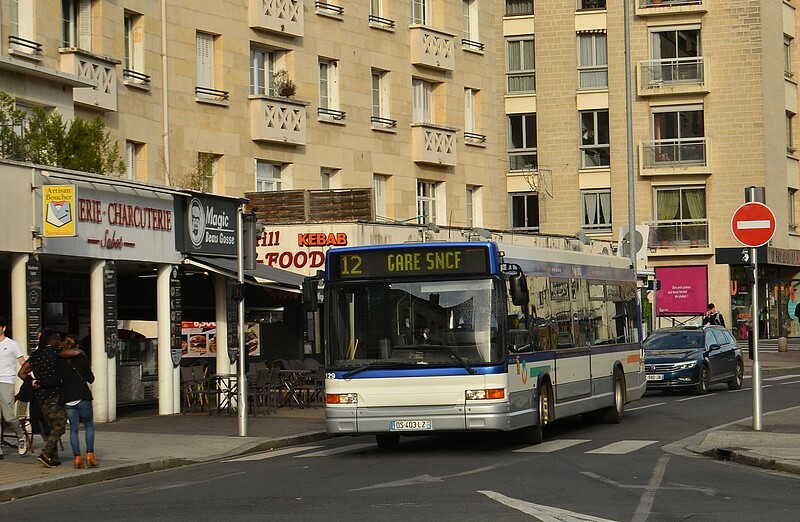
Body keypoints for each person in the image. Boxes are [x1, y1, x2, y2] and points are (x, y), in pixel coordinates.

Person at [18, 330, 67, 468]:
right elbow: (73, 352)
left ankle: (53, 458)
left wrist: (32, 381)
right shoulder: (56, 351)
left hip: (39, 395)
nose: (59, 341)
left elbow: (22, 372)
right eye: (57, 338)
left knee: (51, 426)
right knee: (60, 425)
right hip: (53, 394)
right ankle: (46, 454)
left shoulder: (36, 355)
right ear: (52, 340)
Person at [59, 334, 98, 469]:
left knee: (73, 429)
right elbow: (90, 378)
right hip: (83, 396)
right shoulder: (82, 356)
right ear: (78, 345)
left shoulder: (60, 358)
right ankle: (90, 456)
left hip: (68, 399)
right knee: (89, 426)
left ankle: (77, 458)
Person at [0, 316, 27, 458]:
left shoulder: (12, 344)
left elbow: (23, 362)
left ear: (3, 328)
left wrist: (32, 378)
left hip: (6, 381)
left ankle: (21, 436)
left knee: (9, 417)